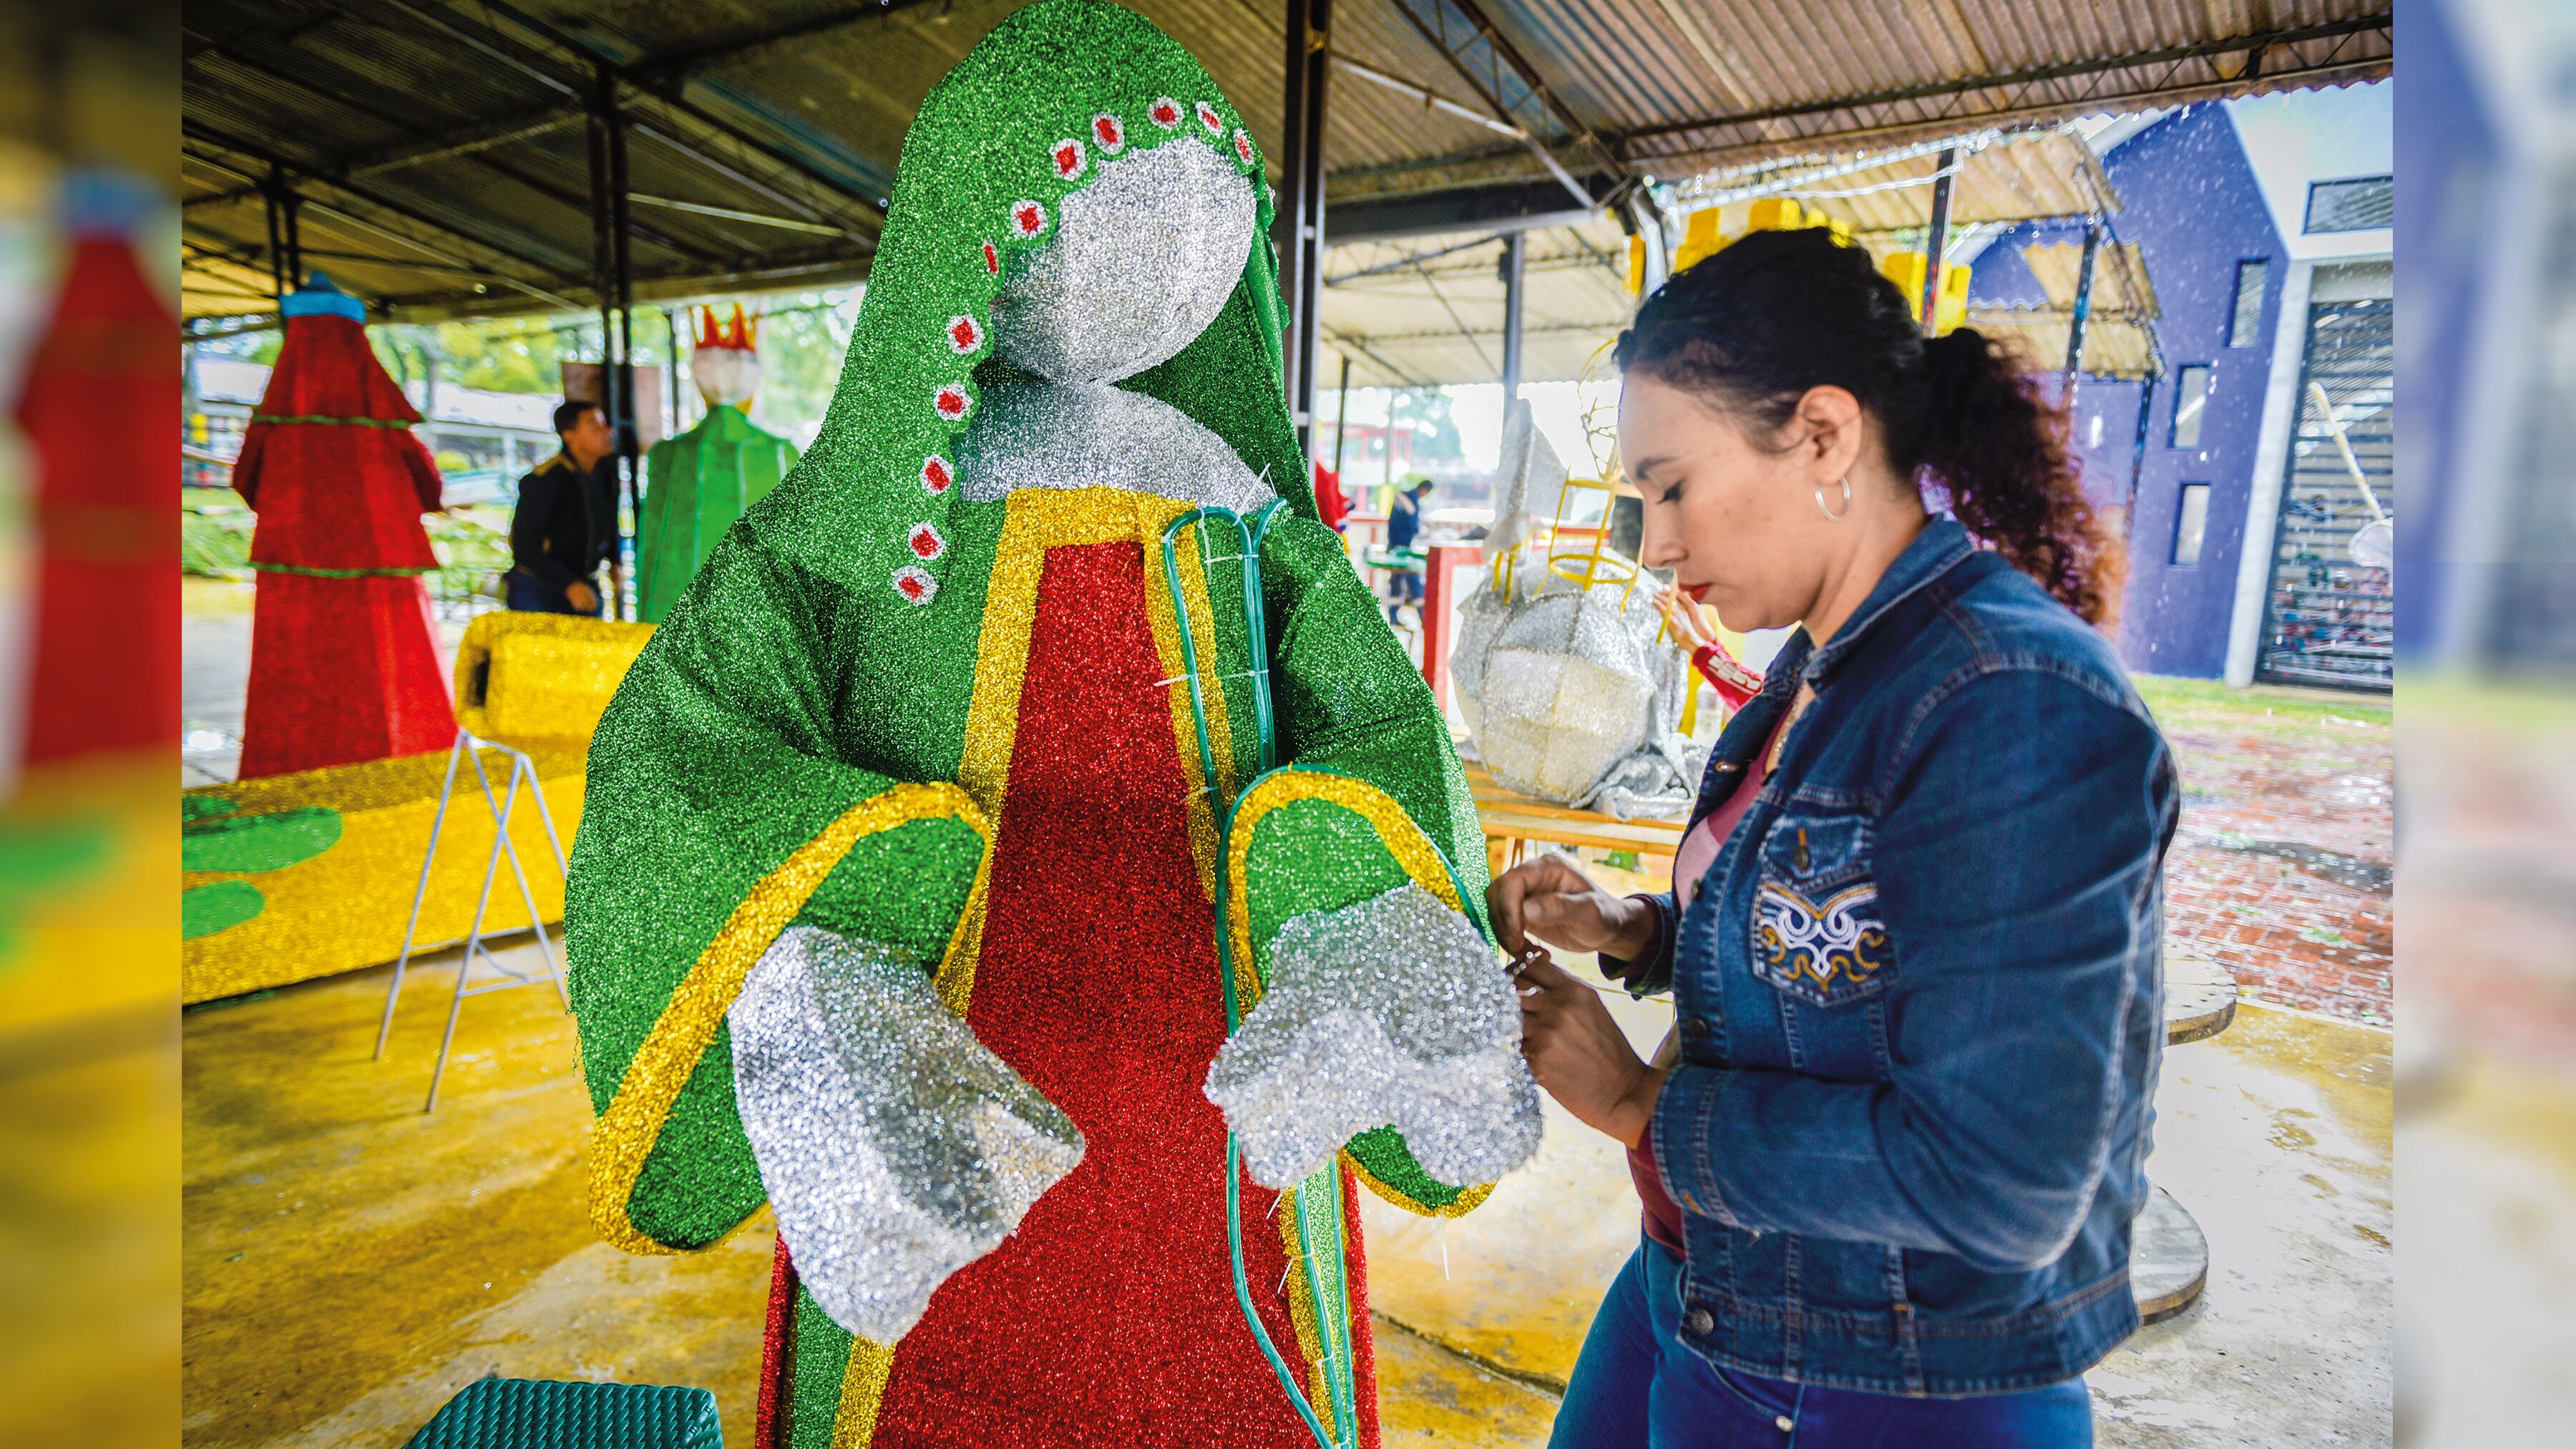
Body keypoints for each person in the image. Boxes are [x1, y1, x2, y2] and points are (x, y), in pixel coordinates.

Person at [1495, 227, 2174, 1448]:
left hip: (1878, 1366)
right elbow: (1842, 948)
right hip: (1711, 1279)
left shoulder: (2007, 700)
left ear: (1822, 436)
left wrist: (1644, 1105)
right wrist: (1637, 928)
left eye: (1671, 486)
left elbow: (2002, 1180)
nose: (1655, 542)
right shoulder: (1815, 669)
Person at [507, 399, 614, 615]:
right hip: (540, 589)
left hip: (584, 584)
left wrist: (616, 560)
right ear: (570, 436)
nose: (608, 431)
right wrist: (568, 584)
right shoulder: (544, 479)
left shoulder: (605, 475)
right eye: (595, 426)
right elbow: (524, 547)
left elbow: (608, 524)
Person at [1385, 476, 1433, 622]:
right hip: (1403, 549)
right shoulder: (1412, 502)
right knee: (1413, 580)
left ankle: (1394, 617)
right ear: (1425, 490)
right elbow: (1413, 527)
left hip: (1393, 546)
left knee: (1396, 581)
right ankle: (1423, 617)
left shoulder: (1402, 496)